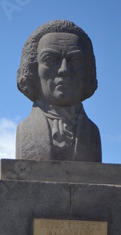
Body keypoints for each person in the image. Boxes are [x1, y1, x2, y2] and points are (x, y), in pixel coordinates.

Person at [16, 20, 101, 162]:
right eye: (50, 59)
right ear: (33, 69)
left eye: (75, 60)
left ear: (87, 71)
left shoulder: (92, 133)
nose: (64, 70)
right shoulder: (25, 129)